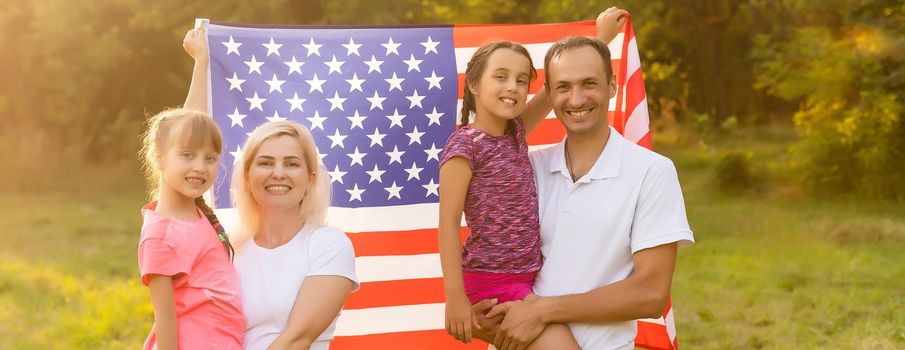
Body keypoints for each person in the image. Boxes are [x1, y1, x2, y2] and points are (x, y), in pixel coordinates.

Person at [474, 32, 696, 350]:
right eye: (563, 87)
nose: (576, 99)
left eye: (589, 83)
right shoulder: (525, 169)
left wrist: (543, 311)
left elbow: (651, 293)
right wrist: (482, 312)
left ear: (612, 85)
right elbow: (492, 140)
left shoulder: (651, 171)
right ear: (549, 94)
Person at [437, 7, 629, 349]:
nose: (513, 86)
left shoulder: (516, 131)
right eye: (501, 76)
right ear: (475, 84)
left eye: (522, 79)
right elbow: (448, 224)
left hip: (530, 281)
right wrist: (455, 298)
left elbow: (554, 88)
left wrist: (602, 37)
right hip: (492, 283)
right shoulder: (464, 146)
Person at [182, 30, 359, 350]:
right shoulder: (227, 246)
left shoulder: (328, 245)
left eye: (292, 164)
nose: (278, 173)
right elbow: (180, 165)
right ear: (247, 176)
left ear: (310, 178)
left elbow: (296, 340)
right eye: (265, 163)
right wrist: (202, 63)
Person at [137, 108, 244, 350]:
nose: (200, 167)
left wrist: (203, 67)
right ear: (159, 157)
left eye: (210, 158)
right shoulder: (161, 235)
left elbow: (188, 120)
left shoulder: (198, 213)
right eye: (187, 155)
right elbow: (164, 322)